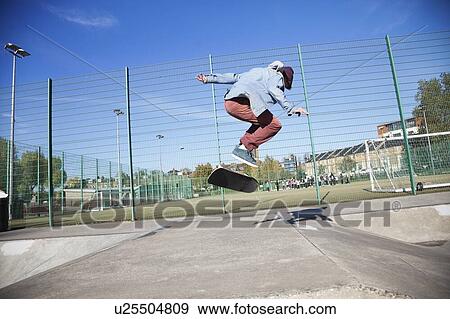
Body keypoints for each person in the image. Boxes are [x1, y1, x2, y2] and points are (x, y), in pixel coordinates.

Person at [196, 61, 308, 167]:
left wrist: (208, 78)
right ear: (286, 79)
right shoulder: (277, 76)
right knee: (274, 124)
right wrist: (292, 108)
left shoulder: (258, 71)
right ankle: (243, 148)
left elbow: (234, 77)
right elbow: (274, 89)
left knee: (262, 123)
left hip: (230, 102)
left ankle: (242, 146)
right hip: (242, 103)